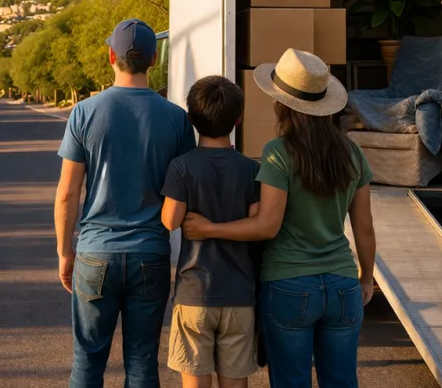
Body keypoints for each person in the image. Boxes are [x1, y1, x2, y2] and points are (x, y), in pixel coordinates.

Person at [182, 49, 377, 388]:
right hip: (343, 283)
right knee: (342, 380)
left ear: (281, 103)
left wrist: (208, 228)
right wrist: (366, 277)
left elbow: (266, 225)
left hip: (289, 284)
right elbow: (364, 227)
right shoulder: (352, 152)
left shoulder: (279, 152)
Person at [55, 19, 196, 388]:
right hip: (150, 254)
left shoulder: (84, 112)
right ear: (153, 60)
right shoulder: (178, 120)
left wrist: (64, 251)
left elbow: (68, 192)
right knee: (142, 360)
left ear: (110, 56)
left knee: (87, 361)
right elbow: (185, 192)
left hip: (95, 253)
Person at [160, 76, 260, 388]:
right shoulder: (251, 169)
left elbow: (170, 221)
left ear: (190, 119)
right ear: (239, 118)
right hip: (240, 295)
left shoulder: (182, 166)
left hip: (195, 293)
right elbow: (257, 227)